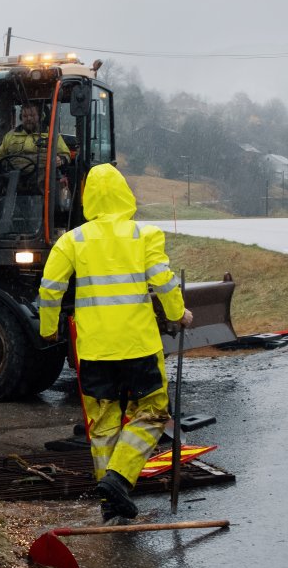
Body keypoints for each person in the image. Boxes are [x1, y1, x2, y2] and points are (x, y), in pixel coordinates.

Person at [37, 163, 193, 522]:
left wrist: (48, 329)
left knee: (104, 424)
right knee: (152, 414)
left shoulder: (72, 241)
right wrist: (178, 313)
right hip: (138, 347)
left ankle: (110, 502)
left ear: (88, 198)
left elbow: (50, 289)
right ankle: (120, 480)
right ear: (125, 194)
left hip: (94, 351)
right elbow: (164, 281)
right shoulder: (144, 236)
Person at [0, 103, 69, 179]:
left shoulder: (52, 134)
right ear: (21, 118)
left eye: (32, 115)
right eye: (25, 116)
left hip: (44, 177)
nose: (29, 118)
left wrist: (61, 159)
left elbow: (65, 155)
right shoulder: (10, 135)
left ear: (40, 117)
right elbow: (0, 157)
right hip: (14, 176)